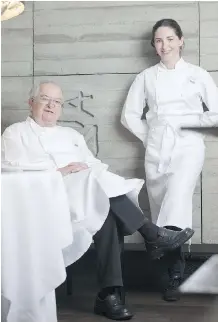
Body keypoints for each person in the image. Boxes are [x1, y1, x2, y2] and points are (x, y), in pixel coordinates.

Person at [2, 81, 194, 320]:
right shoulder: (15, 133)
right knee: (95, 190)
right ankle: (150, 236)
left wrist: (84, 171)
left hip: (85, 197)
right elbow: (12, 172)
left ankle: (110, 294)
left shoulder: (71, 135)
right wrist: (58, 173)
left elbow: (92, 165)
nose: (51, 106)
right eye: (45, 99)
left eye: (57, 102)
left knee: (105, 211)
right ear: (31, 103)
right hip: (46, 202)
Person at [121, 18, 218, 302]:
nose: (164, 45)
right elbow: (128, 116)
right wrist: (152, 137)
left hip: (188, 147)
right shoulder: (146, 77)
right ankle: (167, 271)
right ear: (154, 45)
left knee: (177, 200)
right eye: (159, 41)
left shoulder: (198, 74)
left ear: (181, 40)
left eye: (170, 39)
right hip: (156, 149)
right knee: (160, 206)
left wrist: (189, 124)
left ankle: (174, 273)